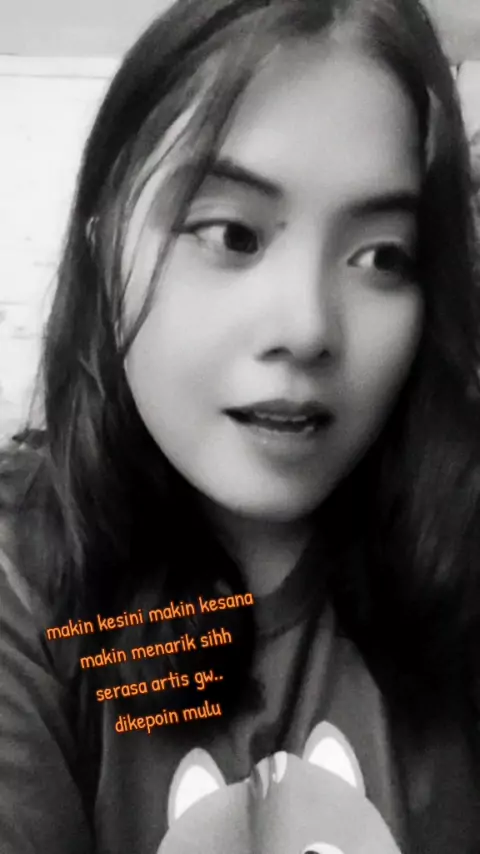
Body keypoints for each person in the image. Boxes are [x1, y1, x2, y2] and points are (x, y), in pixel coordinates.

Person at [1, 0, 480, 851]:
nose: (307, 327)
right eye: (231, 234)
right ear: (105, 252)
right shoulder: (25, 587)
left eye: (382, 256)